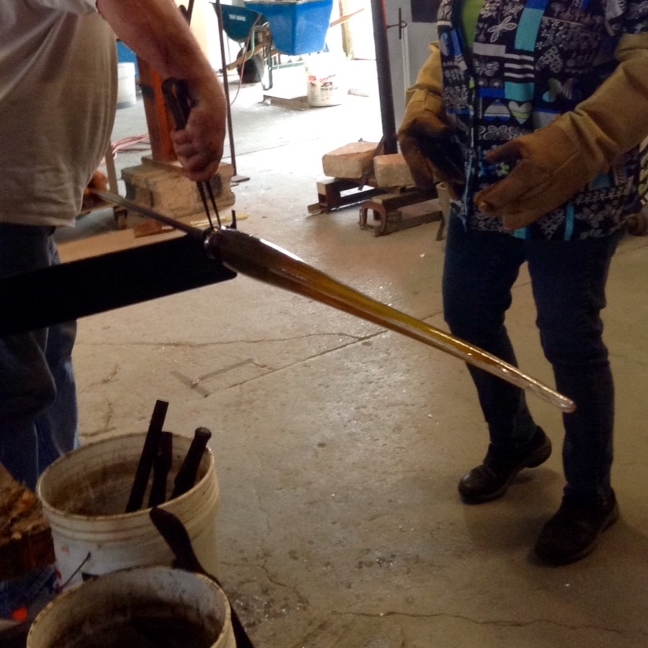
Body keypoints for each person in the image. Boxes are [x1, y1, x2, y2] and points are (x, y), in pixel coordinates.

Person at [0, 0, 226, 636]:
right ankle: (23, 589)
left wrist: (66, 158)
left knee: (48, 361)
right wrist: (201, 80)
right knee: (12, 391)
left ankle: (60, 537)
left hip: (23, 198)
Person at [399, 0, 648, 565]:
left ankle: (590, 494)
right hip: (481, 177)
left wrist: (574, 145)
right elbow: (454, 46)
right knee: (468, 312)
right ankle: (515, 438)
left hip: (577, 189)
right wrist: (425, 102)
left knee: (569, 338)